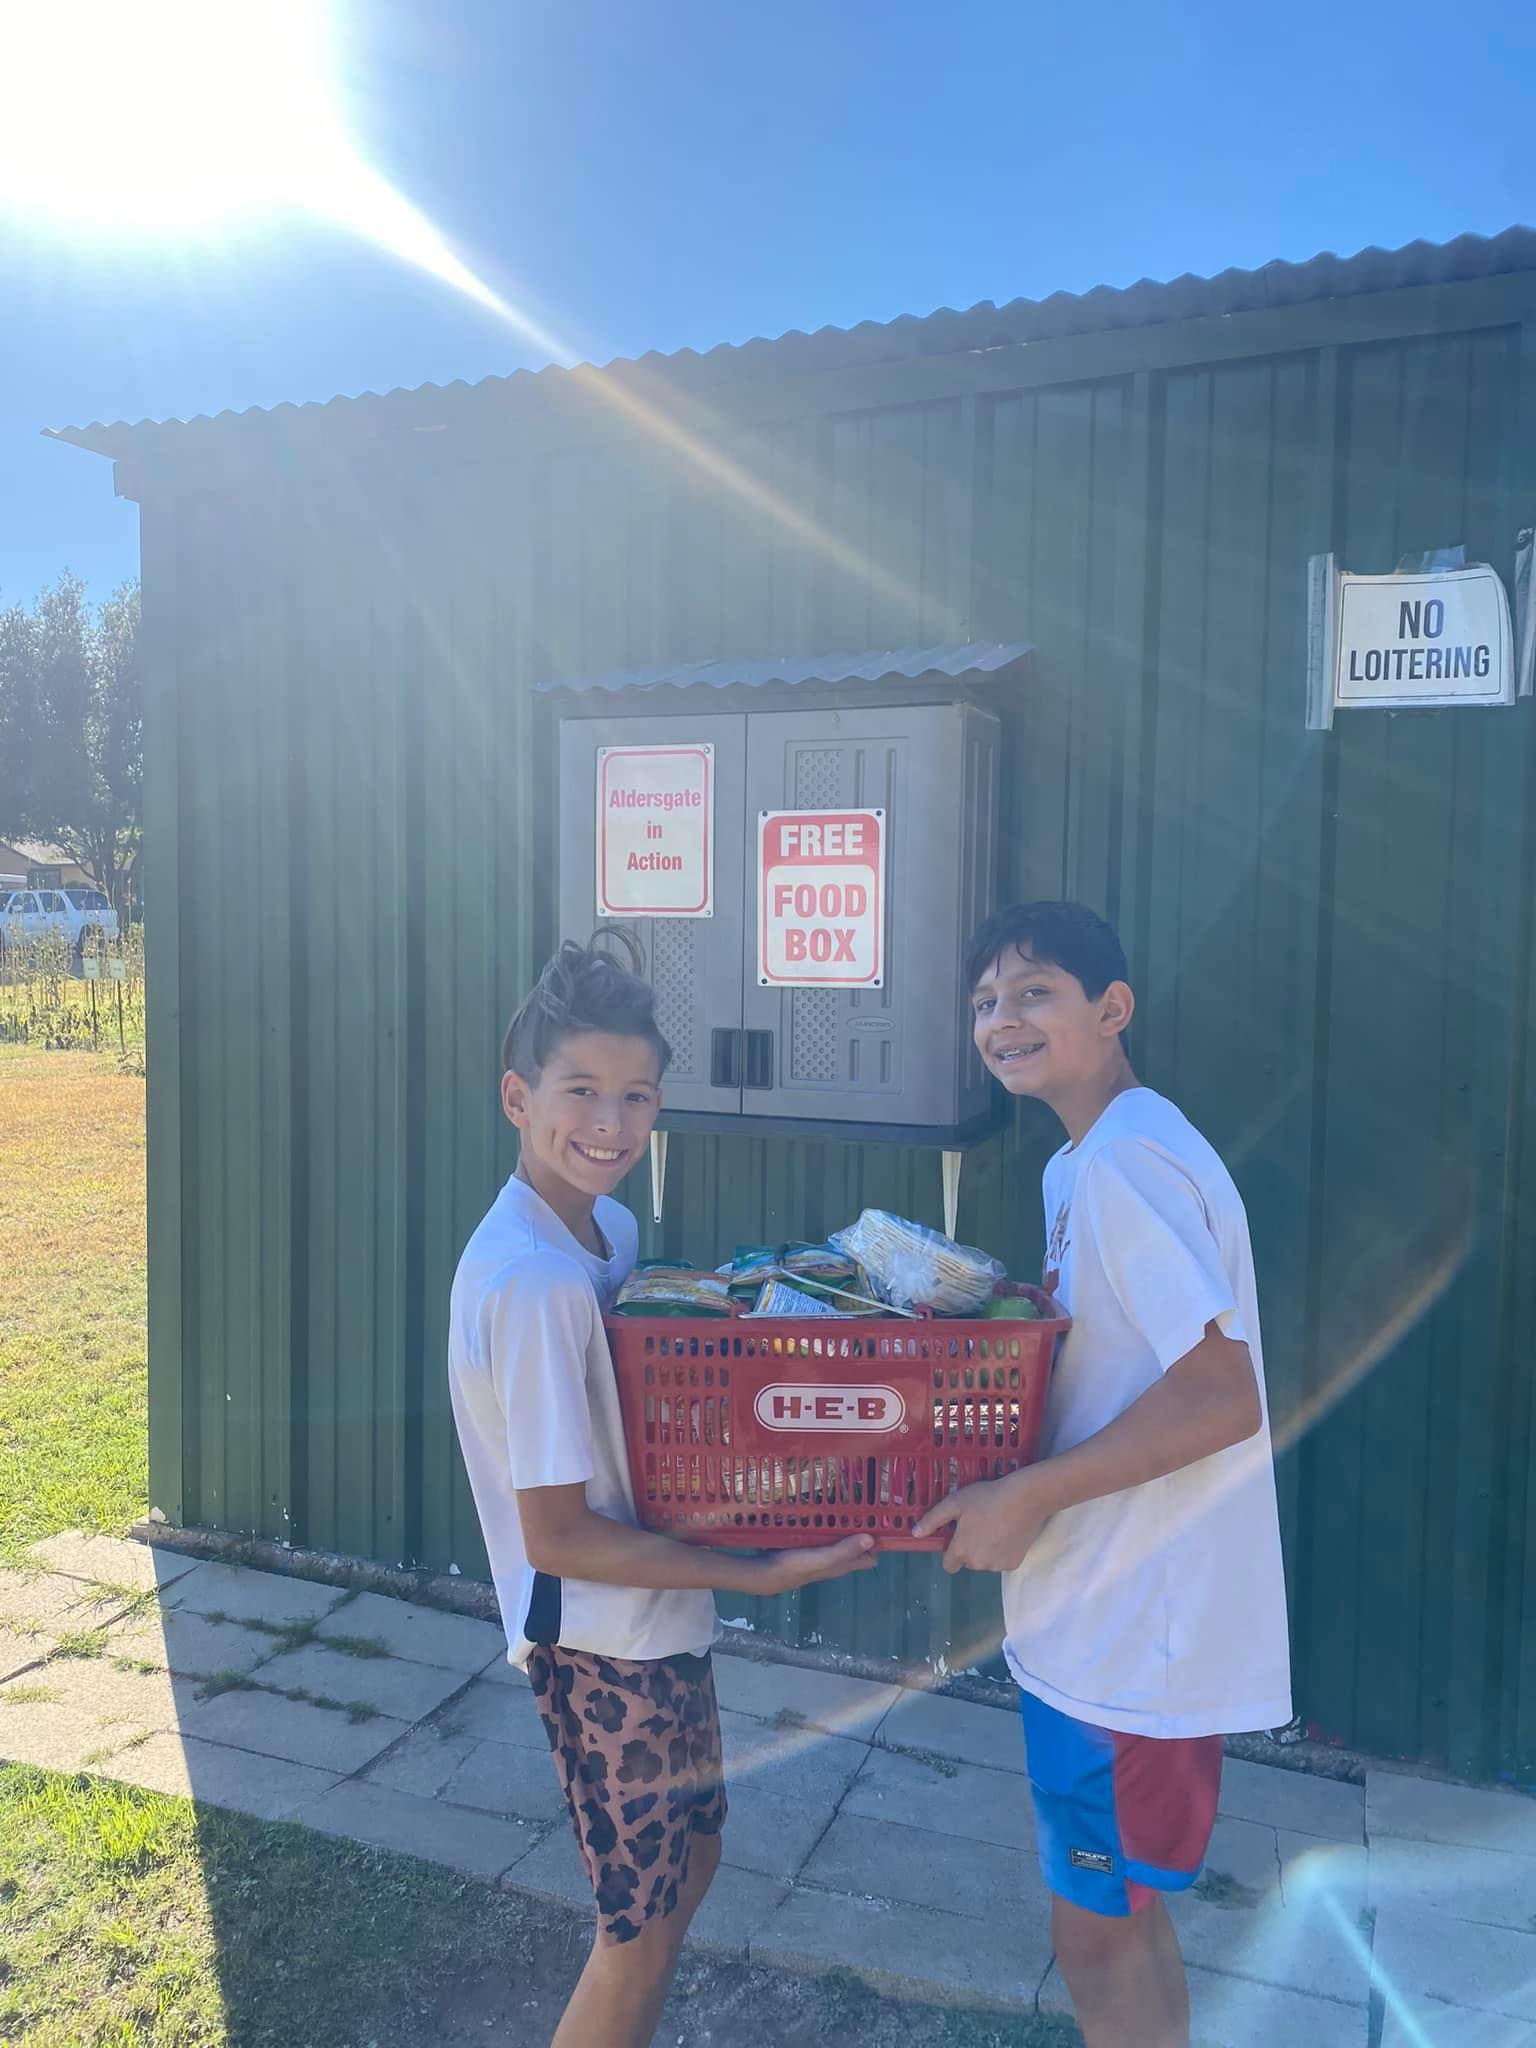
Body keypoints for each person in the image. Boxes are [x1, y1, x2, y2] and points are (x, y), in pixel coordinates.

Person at [447, 941, 876, 2048]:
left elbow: (636, 1418)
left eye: (636, 1094)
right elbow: (558, 1530)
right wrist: (759, 1568)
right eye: (581, 1089)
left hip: (659, 1609)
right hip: (599, 1639)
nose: (611, 1119)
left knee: (693, 1859)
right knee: (634, 1926)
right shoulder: (534, 1283)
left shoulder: (607, 1231)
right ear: (517, 1095)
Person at [915, 902, 1291, 2048]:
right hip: (1098, 1613)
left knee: (1093, 1931)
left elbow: (1224, 1392)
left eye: (1034, 991)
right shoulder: (1087, 1160)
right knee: (1122, 1917)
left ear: (1111, 1008)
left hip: (1135, 1631)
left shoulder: (1128, 1158)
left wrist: (1028, 1494)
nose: (1002, 1017)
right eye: (985, 1000)